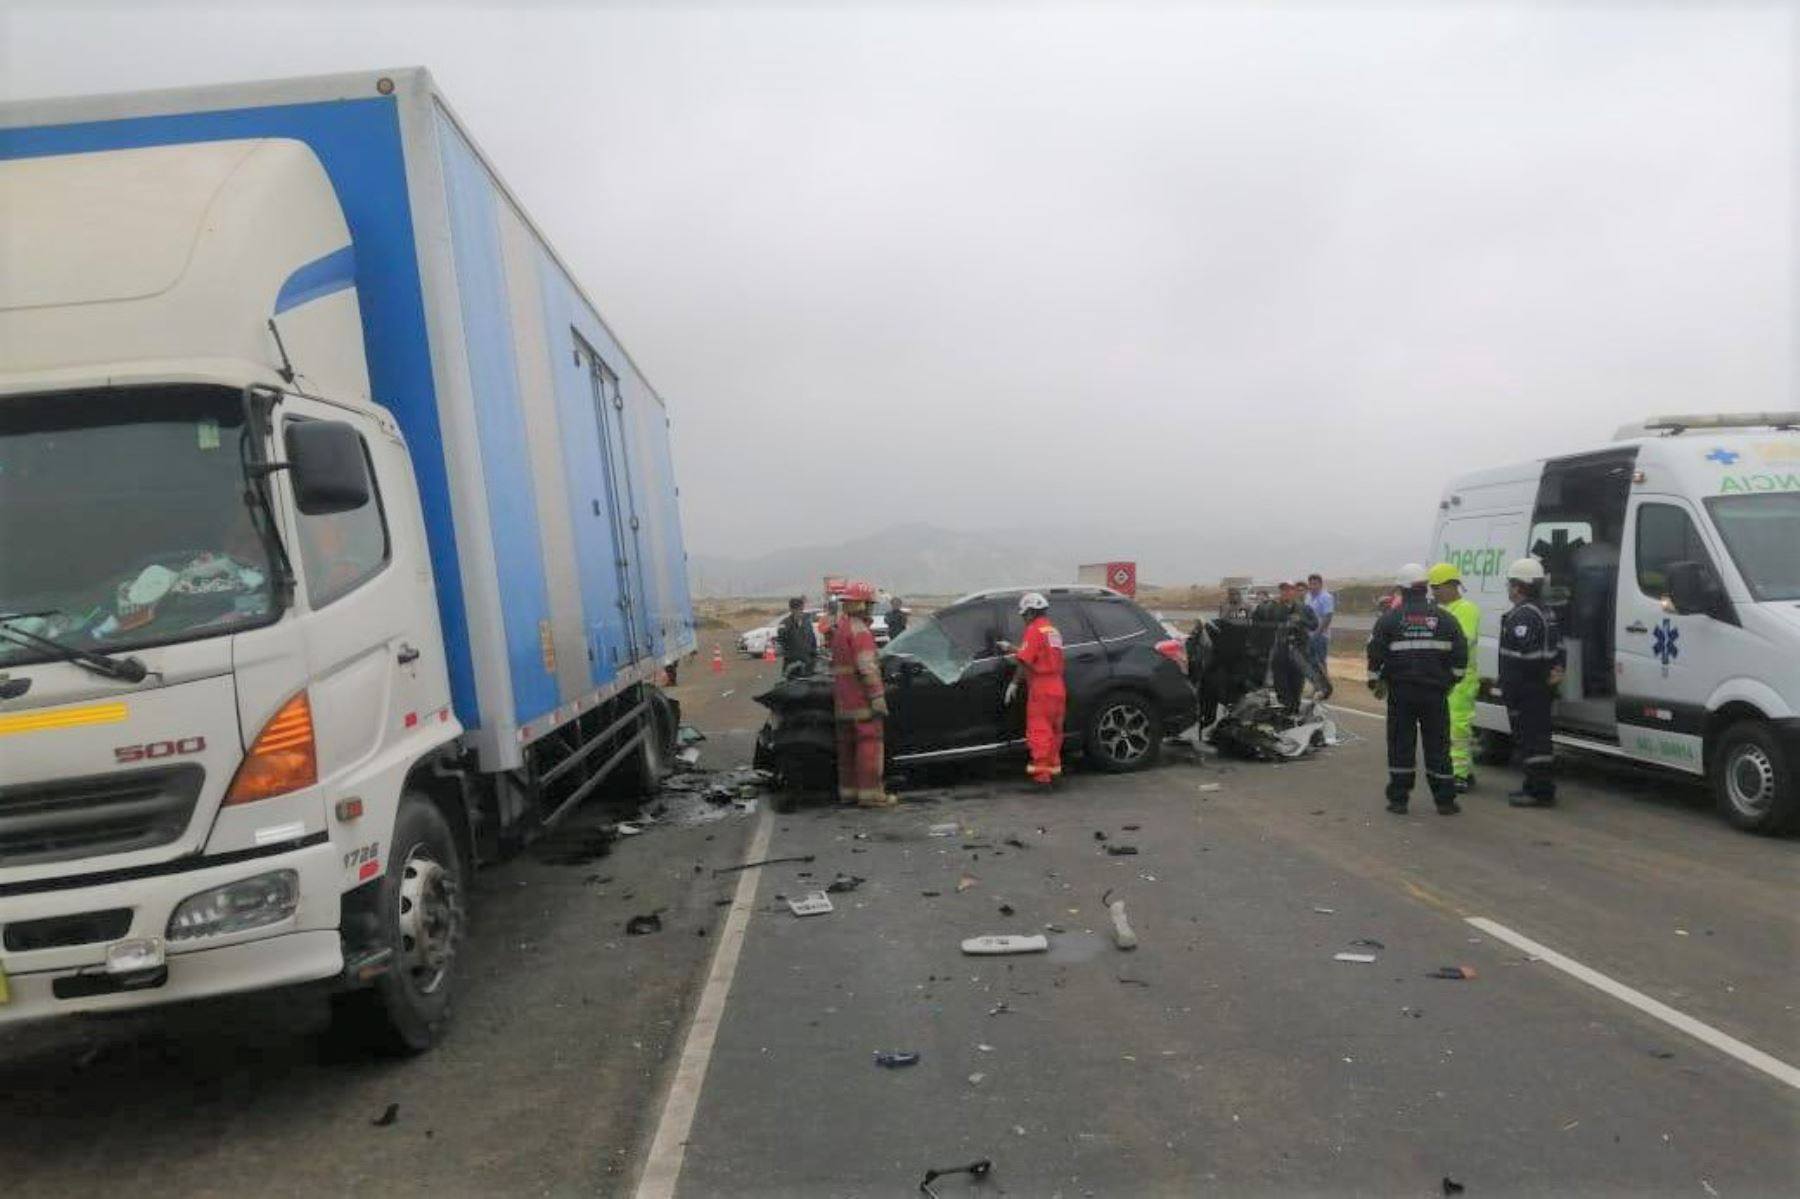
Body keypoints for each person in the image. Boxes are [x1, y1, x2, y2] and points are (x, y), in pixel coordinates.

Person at [1367, 563, 1469, 815]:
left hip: (1401, 694)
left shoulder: (1388, 619)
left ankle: (1399, 800)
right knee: (1438, 746)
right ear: (1426, 588)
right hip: (1435, 693)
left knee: (1401, 744)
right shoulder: (1446, 618)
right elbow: (1460, 655)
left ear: (1401, 588)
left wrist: (1375, 683)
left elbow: (1375, 654)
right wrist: (1449, 682)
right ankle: (1445, 801)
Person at [1498, 557, 1564, 808]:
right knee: (1539, 740)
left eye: (1510, 584)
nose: (1508, 589)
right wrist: (1555, 672)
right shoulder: (1546, 612)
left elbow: (1522, 659)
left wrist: (1511, 689)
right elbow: (1558, 651)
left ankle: (1538, 791)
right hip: (1541, 688)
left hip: (1527, 690)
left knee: (1531, 741)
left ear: (1518, 587)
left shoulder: (1523, 616)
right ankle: (1537, 787)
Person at [830, 580, 893, 808]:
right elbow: (867, 666)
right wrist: (877, 696)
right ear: (862, 605)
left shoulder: (841, 629)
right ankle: (871, 795)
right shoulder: (860, 631)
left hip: (843, 702)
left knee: (847, 748)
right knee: (869, 744)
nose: (871, 608)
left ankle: (849, 793)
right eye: (869, 604)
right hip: (861, 700)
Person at [1002, 592, 1067, 786]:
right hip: (1057, 685)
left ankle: (1041, 777)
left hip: (1041, 687)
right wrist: (1012, 648)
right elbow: (1039, 653)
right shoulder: (1052, 630)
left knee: (1039, 731)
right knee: (1055, 730)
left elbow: (1025, 660)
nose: (1023, 619)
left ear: (1030, 612)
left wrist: (1014, 683)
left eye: (1023, 615)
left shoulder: (1034, 630)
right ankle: (1054, 770)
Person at [1428, 563, 1482, 792]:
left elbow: (1462, 641)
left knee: (1457, 728)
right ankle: (1464, 771)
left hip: (1461, 679)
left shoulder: (1467, 609)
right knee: (1445, 728)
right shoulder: (1441, 609)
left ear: (1452, 585)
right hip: (1443, 677)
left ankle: (1459, 774)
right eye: (1432, 588)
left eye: (1437, 587)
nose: (1434, 592)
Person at [1269, 581, 1319, 712]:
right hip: (1281, 649)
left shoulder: (1305, 608)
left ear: (1294, 592)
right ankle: (1285, 708)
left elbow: (1314, 624)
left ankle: (1294, 709)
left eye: (1288, 590)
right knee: (1280, 682)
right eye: (1283, 590)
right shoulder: (1274, 607)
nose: (1285, 593)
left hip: (1299, 650)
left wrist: (1301, 620)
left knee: (1296, 682)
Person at [1303, 573, 1335, 694]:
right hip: (1308, 635)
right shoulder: (1308, 597)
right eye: (1310, 584)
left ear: (1320, 584)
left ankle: (1325, 686)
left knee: (1320, 661)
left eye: (1315, 583)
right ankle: (1317, 685)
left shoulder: (1326, 597)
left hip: (1321, 636)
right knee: (1310, 662)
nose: (1312, 586)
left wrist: (1317, 633)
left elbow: (1328, 616)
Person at [775, 595, 818, 679]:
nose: (799, 612)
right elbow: (781, 640)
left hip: (807, 662)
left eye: (801, 609)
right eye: (797, 609)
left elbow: (812, 638)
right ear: (791, 610)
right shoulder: (785, 623)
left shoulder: (807, 622)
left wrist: (814, 652)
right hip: (792, 664)